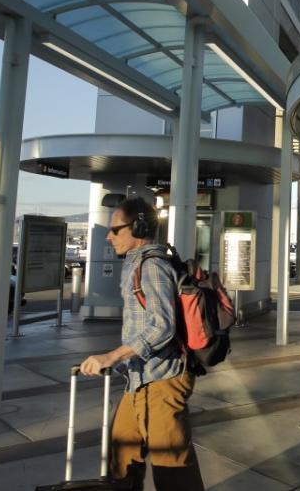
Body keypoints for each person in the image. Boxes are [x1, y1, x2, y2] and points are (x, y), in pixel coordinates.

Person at [80, 197, 204, 491]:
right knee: (122, 454)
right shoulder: (138, 263)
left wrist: (112, 356)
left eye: (116, 229)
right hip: (139, 379)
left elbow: (162, 326)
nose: (109, 237)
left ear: (138, 227)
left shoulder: (153, 266)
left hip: (162, 380)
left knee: (171, 466)